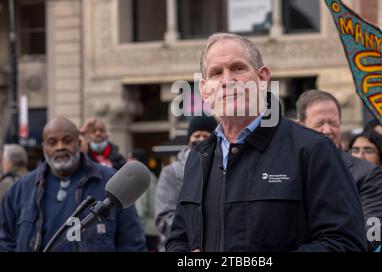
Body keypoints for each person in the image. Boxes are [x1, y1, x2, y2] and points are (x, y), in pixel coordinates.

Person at [166, 33, 366, 252]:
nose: (227, 81)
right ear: (204, 90)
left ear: (262, 78)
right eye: (216, 73)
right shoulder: (198, 158)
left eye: (238, 68)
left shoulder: (312, 149)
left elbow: (346, 243)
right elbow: (178, 240)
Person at [0, 117, 146, 252]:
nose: (60, 147)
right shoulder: (20, 190)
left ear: (79, 143)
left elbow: (132, 244)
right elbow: (5, 242)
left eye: (67, 140)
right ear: (44, 147)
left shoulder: (111, 182)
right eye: (52, 142)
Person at [296, 89, 382, 252]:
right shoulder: (288, 170)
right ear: (301, 126)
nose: (328, 130)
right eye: (320, 123)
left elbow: (373, 235)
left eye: (333, 123)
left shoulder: (366, 172)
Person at [155, 115, 217, 250]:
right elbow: (164, 217)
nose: (201, 139)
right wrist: (196, 236)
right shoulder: (171, 172)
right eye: (197, 135)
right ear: (189, 139)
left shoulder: (221, 168)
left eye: (206, 135)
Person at [131, 149, 160, 251]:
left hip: (145, 230)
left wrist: (135, 229)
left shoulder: (141, 177)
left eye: (130, 159)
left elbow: (141, 207)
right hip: (152, 229)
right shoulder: (150, 175)